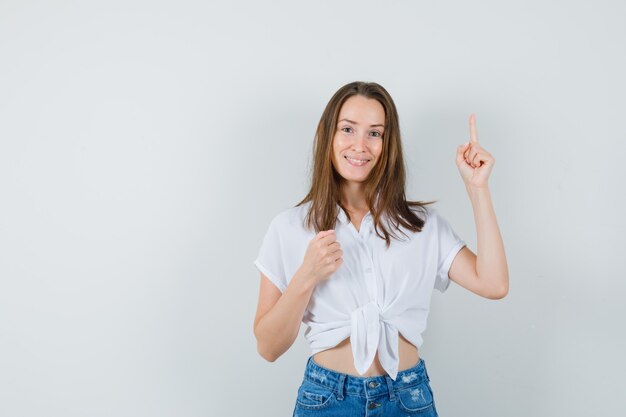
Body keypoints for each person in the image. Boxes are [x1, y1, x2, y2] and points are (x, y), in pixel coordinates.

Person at [252, 81, 509, 416]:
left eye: (375, 133)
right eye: (348, 129)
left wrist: (478, 190)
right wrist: (307, 275)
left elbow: (493, 284)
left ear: (388, 144)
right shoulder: (289, 227)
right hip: (327, 401)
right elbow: (268, 347)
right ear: (327, 135)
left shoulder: (420, 225)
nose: (360, 145)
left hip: (406, 399)